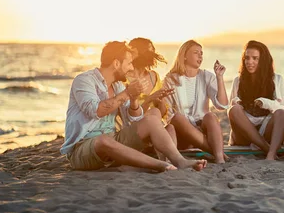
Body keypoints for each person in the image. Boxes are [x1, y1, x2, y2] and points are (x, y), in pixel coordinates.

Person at [60, 41, 207, 172]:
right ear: (116, 63)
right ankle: (159, 165)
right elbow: (96, 110)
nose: (131, 68)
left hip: (114, 139)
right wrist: (127, 93)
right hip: (82, 148)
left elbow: (132, 119)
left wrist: (134, 100)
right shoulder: (84, 80)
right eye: (129, 63)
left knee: (151, 120)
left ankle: (180, 161)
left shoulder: (117, 86)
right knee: (103, 140)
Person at [162, 40, 229, 164]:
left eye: (201, 53)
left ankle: (219, 159)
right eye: (196, 53)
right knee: (177, 117)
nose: (200, 56)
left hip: (202, 130)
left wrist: (219, 77)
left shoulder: (207, 76)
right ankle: (216, 151)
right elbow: (167, 113)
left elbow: (222, 105)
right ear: (185, 56)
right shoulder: (171, 79)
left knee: (211, 116)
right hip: (181, 133)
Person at [227, 40, 284, 160]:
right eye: (247, 58)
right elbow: (232, 106)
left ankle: (271, 155)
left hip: (268, 131)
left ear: (263, 60)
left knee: (280, 112)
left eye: (255, 58)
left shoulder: (277, 79)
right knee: (233, 110)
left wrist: (266, 103)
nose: (250, 62)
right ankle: (267, 149)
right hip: (245, 134)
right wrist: (237, 102)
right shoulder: (238, 80)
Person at [123, 37, 176, 160]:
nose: (152, 55)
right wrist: (149, 100)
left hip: (154, 131)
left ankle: (168, 161)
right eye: (148, 51)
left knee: (170, 127)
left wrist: (160, 100)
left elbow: (162, 113)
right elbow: (128, 116)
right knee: (154, 112)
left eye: (153, 51)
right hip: (135, 129)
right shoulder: (124, 78)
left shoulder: (154, 77)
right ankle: (163, 160)